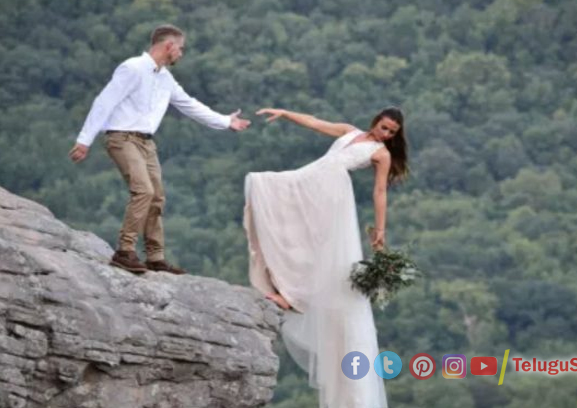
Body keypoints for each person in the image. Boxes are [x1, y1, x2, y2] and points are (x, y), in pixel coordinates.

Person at [244, 107, 408, 408]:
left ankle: (293, 296)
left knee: (319, 250)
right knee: (265, 190)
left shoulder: (380, 153)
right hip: (310, 180)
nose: (385, 134)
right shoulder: (349, 131)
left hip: (332, 194)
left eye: (391, 132)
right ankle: (283, 284)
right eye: (383, 127)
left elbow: (380, 191)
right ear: (375, 121)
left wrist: (380, 231)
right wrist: (284, 113)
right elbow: (317, 123)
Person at [69, 24, 250, 275]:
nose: (181, 54)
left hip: (146, 141)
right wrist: (84, 140)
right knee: (143, 191)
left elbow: (189, 105)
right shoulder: (132, 68)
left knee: (156, 197)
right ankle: (124, 251)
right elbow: (104, 101)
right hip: (122, 138)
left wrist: (225, 122)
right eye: (181, 49)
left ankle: (155, 258)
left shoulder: (165, 78)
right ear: (169, 46)